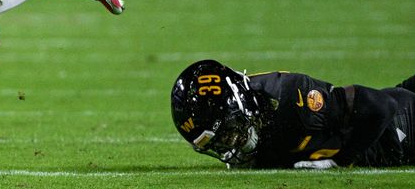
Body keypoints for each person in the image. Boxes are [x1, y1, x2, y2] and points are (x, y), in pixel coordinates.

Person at [170, 59, 415, 168]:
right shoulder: (256, 109)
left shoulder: (293, 101)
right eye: (218, 142)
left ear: (239, 105)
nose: (229, 144)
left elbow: (382, 107)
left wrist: (341, 160)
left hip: (405, 128)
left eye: (228, 132)